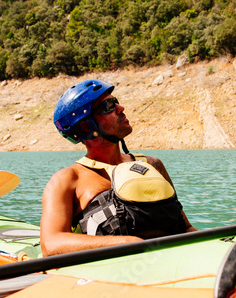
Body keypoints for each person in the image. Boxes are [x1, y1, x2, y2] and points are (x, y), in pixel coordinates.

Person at [40, 79, 195, 256]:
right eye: (108, 105)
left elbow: (186, 228)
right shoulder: (67, 180)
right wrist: (126, 243)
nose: (120, 108)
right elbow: (51, 244)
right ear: (85, 125)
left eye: (116, 101)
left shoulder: (152, 165)